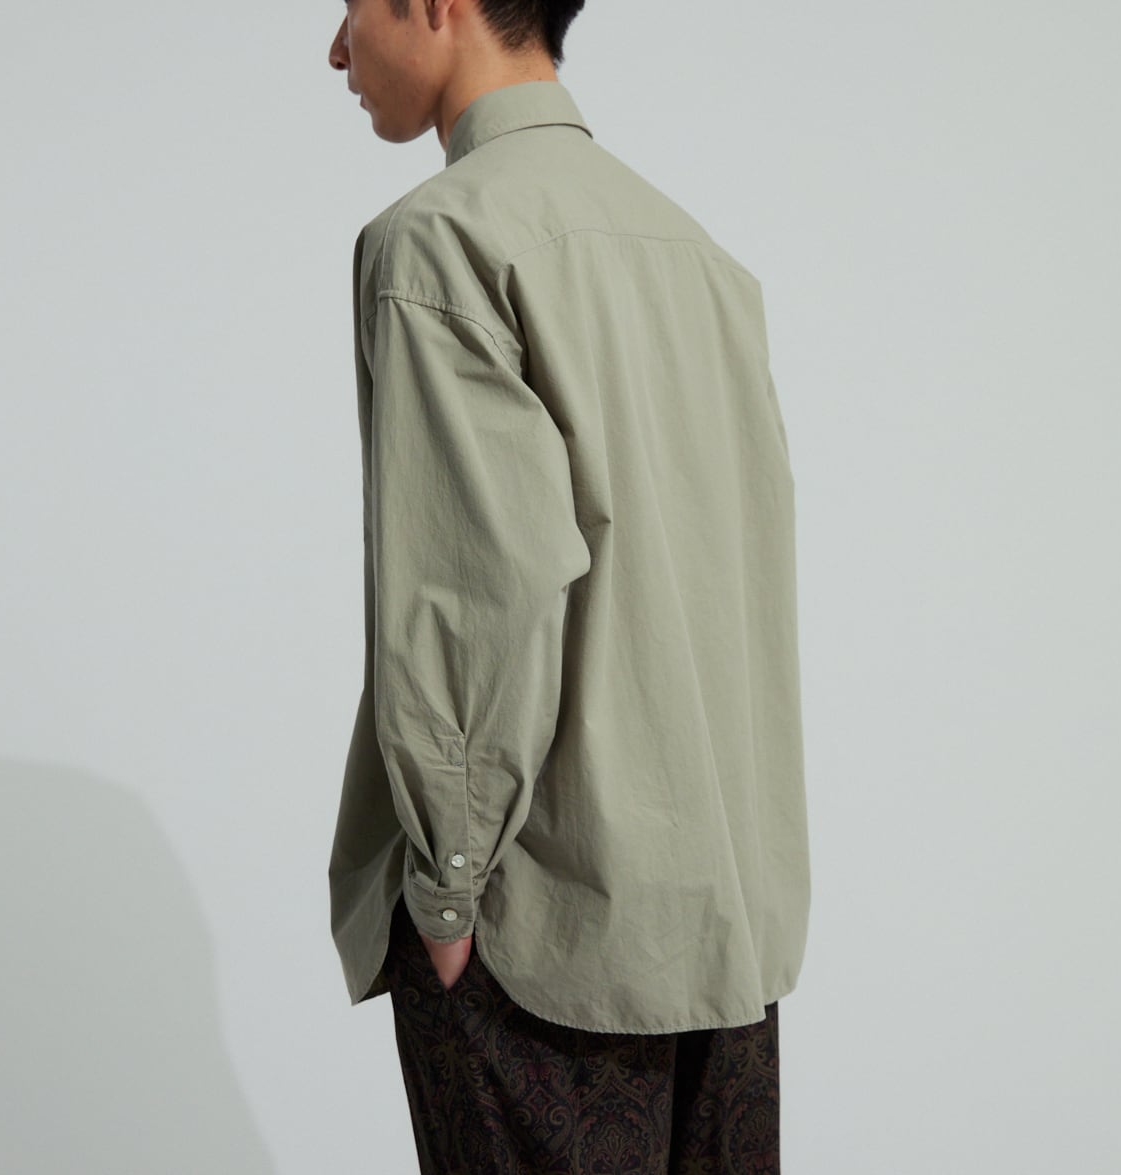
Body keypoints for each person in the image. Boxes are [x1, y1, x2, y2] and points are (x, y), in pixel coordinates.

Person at [325, 2, 810, 1171]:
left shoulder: (437, 239)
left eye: (347, 6)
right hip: (722, 927)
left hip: (538, 927)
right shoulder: (696, 253)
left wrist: (446, 888)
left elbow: (474, 587)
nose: (337, 49)